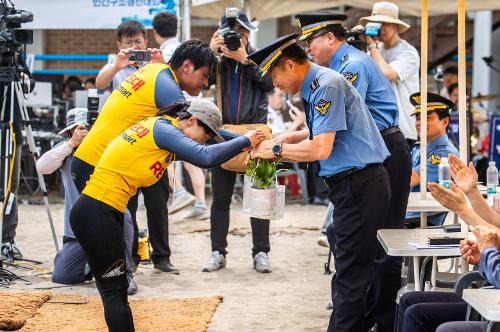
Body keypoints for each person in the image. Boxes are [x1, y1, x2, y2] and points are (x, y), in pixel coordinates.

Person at [70, 99, 264, 331]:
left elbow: (210, 149)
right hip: (96, 211)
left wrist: (243, 142)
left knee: (116, 290)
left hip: (102, 211)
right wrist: (245, 139)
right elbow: (205, 157)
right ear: (191, 121)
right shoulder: (162, 129)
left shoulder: (165, 133)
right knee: (114, 292)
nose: (204, 141)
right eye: (205, 135)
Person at [249, 33, 391, 332]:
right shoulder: (318, 84)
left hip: (360, 184)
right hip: (354, 184)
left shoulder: (326, 84)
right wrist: (289, 136)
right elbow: (326, 131)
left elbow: (320, 149)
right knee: (351, 270)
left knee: (350, 276)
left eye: (274, 76)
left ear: (289, 65)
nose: (275, 85)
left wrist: (275, 150)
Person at [295, 12, 412, 329]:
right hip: (375, 150)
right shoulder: (342, 66)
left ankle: (381, 320)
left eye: (311, 42)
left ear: (330, 38)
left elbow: (339, 124)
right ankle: (365, 314)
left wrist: (285, 145)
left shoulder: (351, 67)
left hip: (384, 151)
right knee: (354, 239)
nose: (308, 50)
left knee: (385, 242)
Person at [72, 40, 217, 274]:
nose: (206, 83)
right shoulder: (167, 86)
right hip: (98, 163)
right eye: (205, 74)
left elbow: (200, 126)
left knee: (125, 222)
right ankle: (120, 274)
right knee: (119, 226)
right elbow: (200, 129)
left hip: (109, 160)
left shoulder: (154, 70)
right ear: (187, 66)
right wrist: (242, 139)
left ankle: (129, 269)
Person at [203, 10, 274, 273]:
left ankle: (261, 252)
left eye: (239, 31)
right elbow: (198, 84)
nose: (235, 36)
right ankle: (217, 252)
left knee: (259, 197)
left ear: (247, 32)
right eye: (228, 31)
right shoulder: (216, 60)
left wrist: (246, 59)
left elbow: (270, 83)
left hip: (256, 136)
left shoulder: (260, 56)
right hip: (223, 134)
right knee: (220, 198)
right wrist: (211, 54)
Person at [359, 1, 420, 149]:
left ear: (396, 25)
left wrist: (372, 45)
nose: (381, 28)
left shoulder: (408, 52)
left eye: (385, 23)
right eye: (376, 23)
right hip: (378, 129)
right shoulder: (373, 50)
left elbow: (387, 73)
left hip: (402, 129)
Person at [405, 92, 459, 227]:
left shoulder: (445, 154)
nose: (419, 123)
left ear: (445, 121)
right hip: (412, 216)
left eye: (427, 117)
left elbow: (409, 179)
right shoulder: (420, 147)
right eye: (417, 118)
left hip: (423, 222)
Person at [0, 57, 35, 263]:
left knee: (9, 188)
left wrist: (23, 78)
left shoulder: (12, 53)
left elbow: (29, 84)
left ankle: (7, 240)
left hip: (12, 130)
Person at [95, 20, 148, 92]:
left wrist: (160, 66)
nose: (134, 46)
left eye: (138, 42)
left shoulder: (152, 64)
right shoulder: (112, 67)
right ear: (119, 45)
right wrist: (116, 68)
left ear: (145, 43)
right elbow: (99, 86)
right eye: (128, 42)